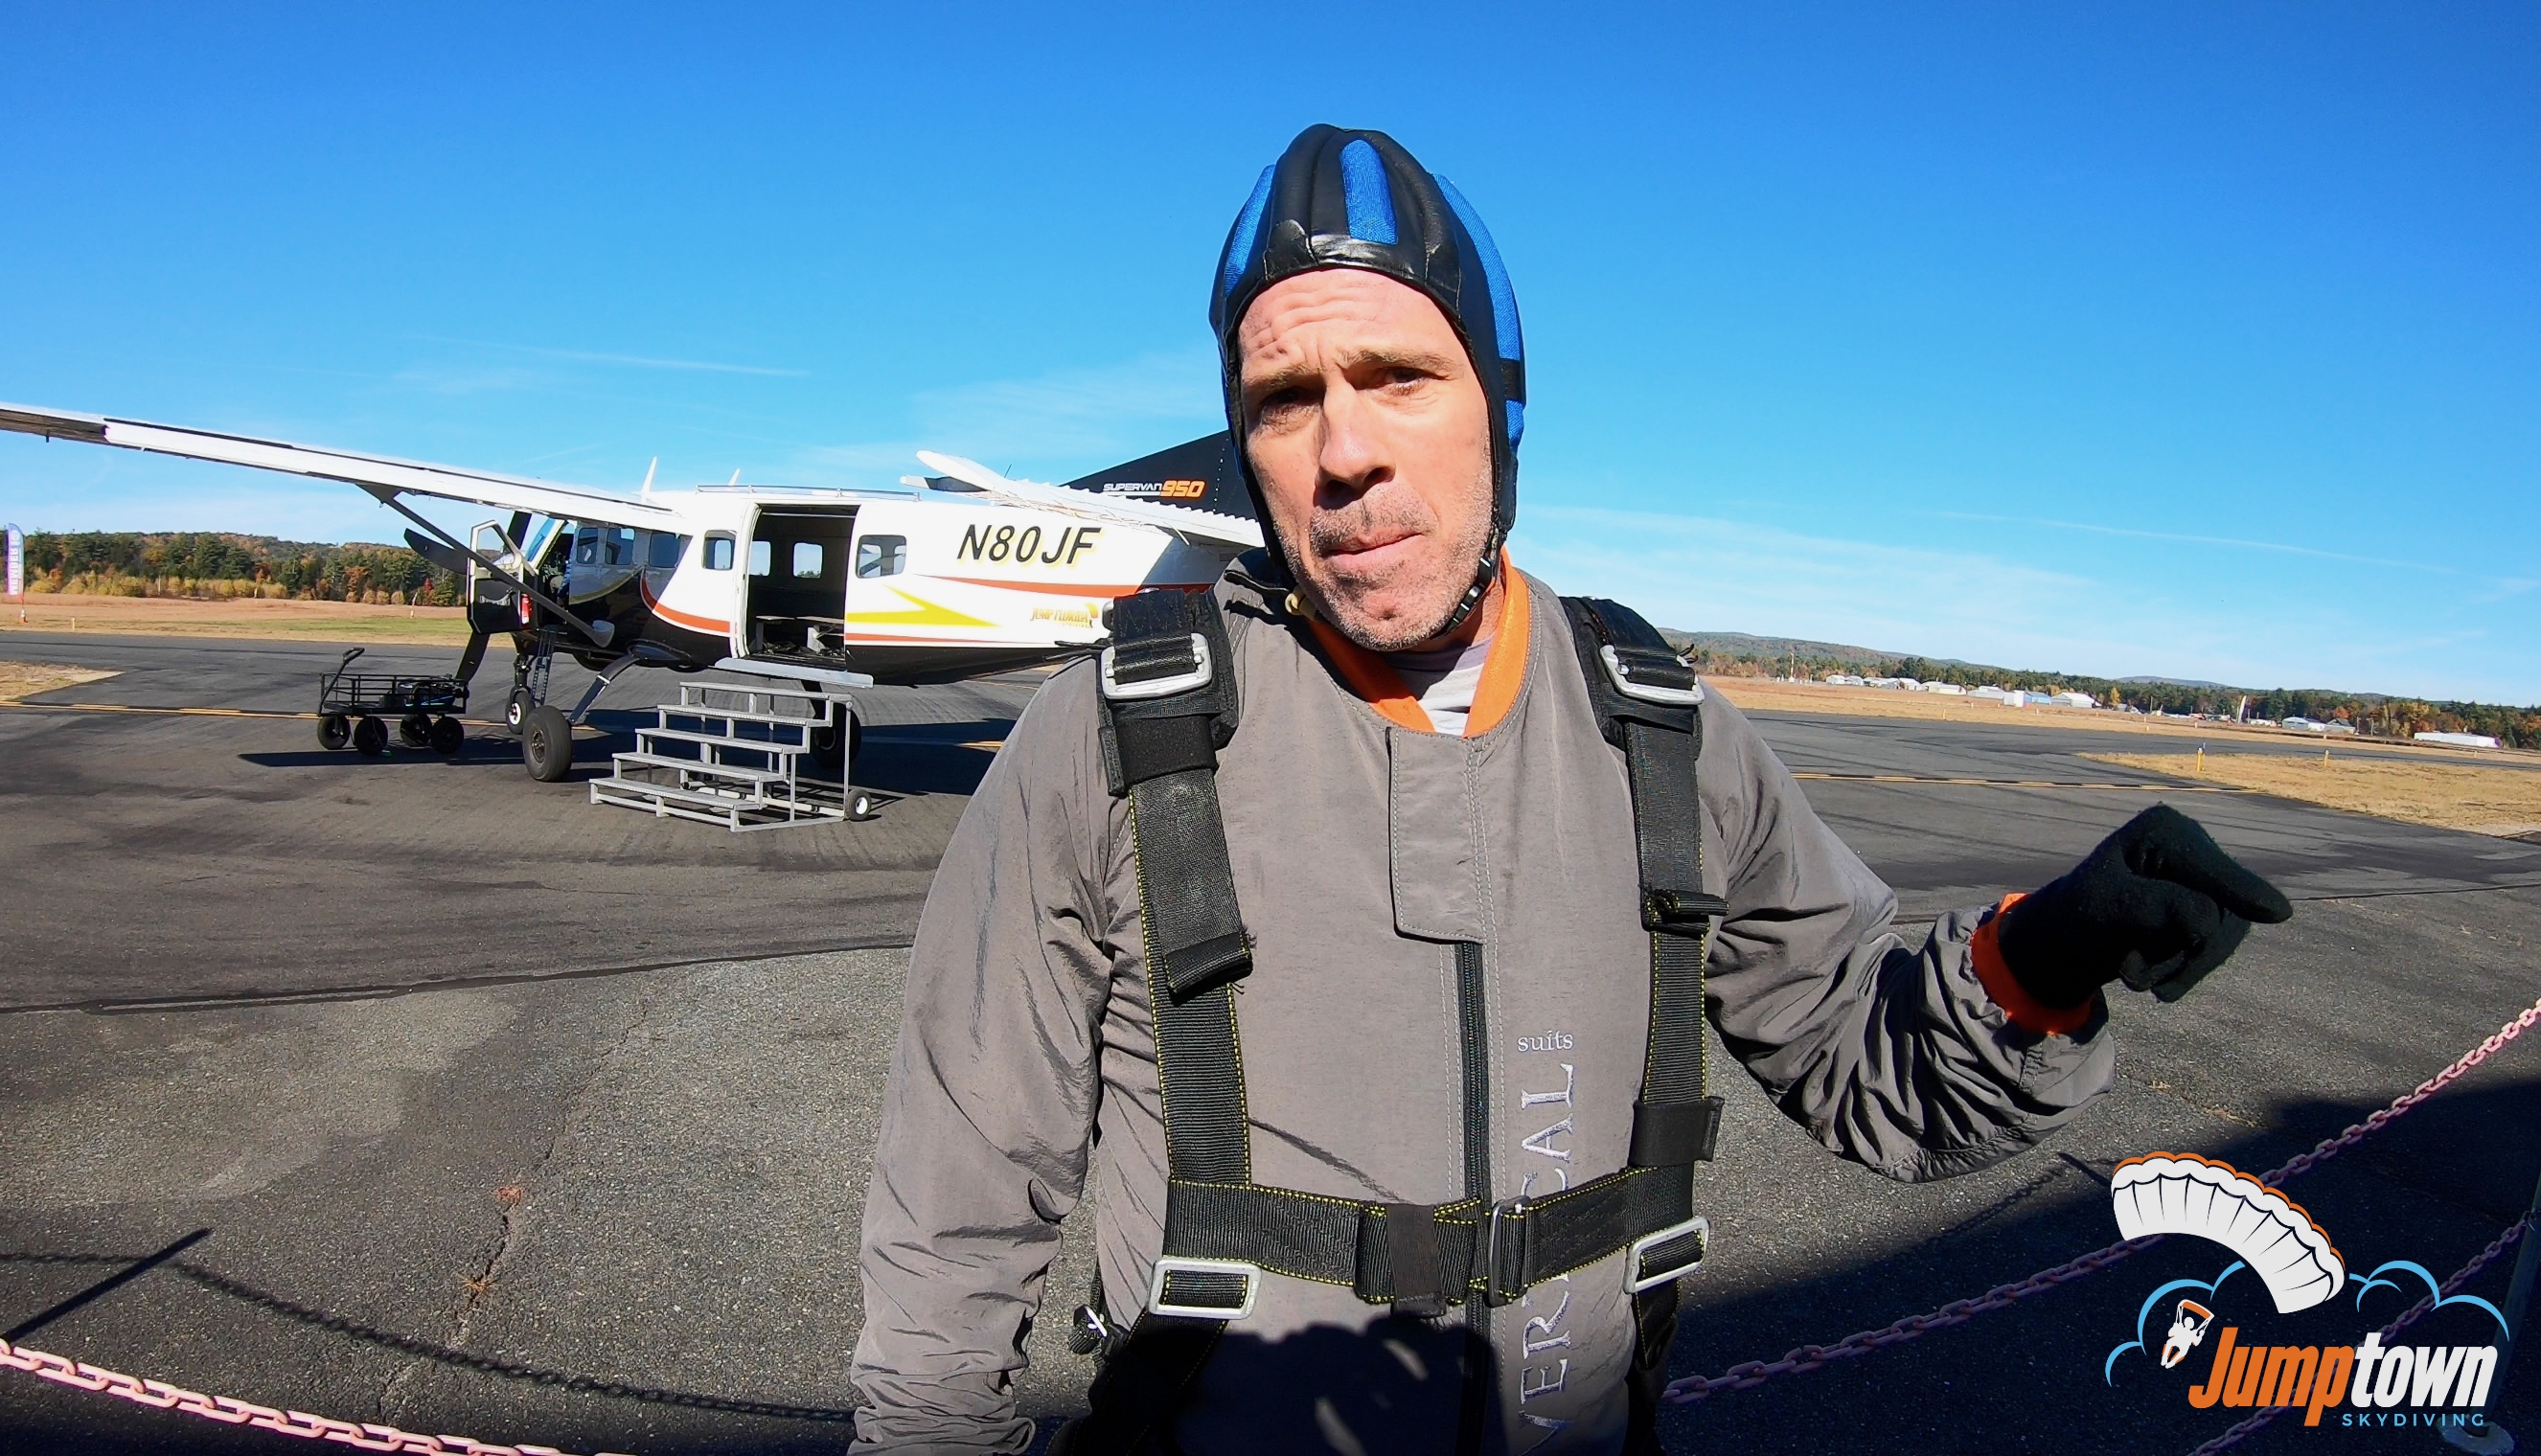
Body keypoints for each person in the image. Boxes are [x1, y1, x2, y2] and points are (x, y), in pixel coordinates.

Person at [850, 125, 2291, 1455]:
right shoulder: (1117, 736)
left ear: (1501, 405)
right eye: (1285, 402)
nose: (1345, 453)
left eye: (1400, 378)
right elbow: (954, 1208)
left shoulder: (1657, 730)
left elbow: (1870, 1068)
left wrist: (2045, 960)